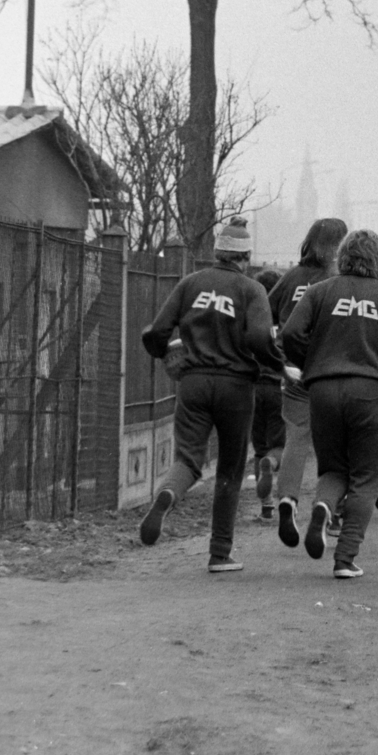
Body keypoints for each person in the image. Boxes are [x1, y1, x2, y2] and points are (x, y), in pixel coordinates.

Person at [137, 218, 283, 572]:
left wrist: (166, 353)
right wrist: (278, 365)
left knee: (188, 458)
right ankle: (220, 553)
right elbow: (261, 339)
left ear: (217, 252)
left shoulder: (190, 284)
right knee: (230, 471)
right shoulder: (252, 290)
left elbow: (156, 331)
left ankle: (167, 494)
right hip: (236, 386)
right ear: (245, 256)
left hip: (194, 382)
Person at [280, 230, 378, 578]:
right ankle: (344, 558)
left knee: (333, 468)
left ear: (343, 257)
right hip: (369, 390)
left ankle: (322, 507)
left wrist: (308, 363)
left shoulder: (319, 292)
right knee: (366, 475)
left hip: (322, 391)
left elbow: (289, 334)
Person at [267, 218, 349, 549]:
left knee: (296, 440)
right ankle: (330, 510)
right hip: (332, 372)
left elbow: (265, 315)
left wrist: (278, 358)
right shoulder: (340, 281)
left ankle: (287, 500)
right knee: (338, 447)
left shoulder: (291, 278)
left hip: (295, 372)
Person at [250, 267, 286, 519]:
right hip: (278, 389)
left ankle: (266, 506)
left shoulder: (251, 323)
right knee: (278, 446)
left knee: (259, 446)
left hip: (253, 390)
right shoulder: (285, 325)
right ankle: (271, 465)